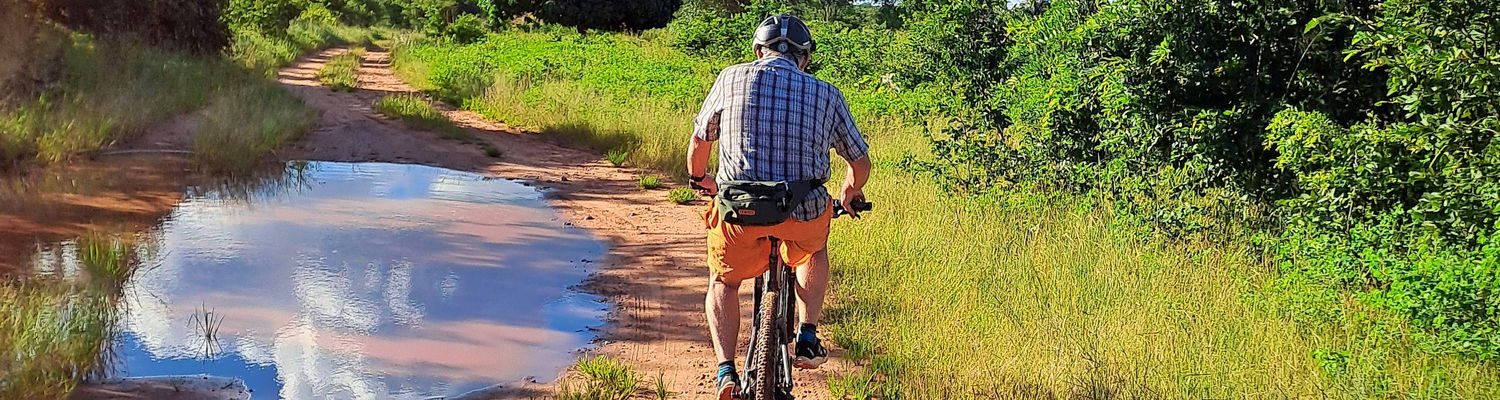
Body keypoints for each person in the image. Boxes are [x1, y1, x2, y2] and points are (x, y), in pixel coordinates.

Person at [684, 14, 872, 399]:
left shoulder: (730, 77)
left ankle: (725, 373)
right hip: (801, 211)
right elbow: (859, 161)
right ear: (804, 58)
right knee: (813, 250)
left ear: (758, 51)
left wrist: (701, 180)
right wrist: (849, 192)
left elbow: (699, 145)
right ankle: (807, 333)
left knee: (724, 280)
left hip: (740, 213)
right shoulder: (827, 93)